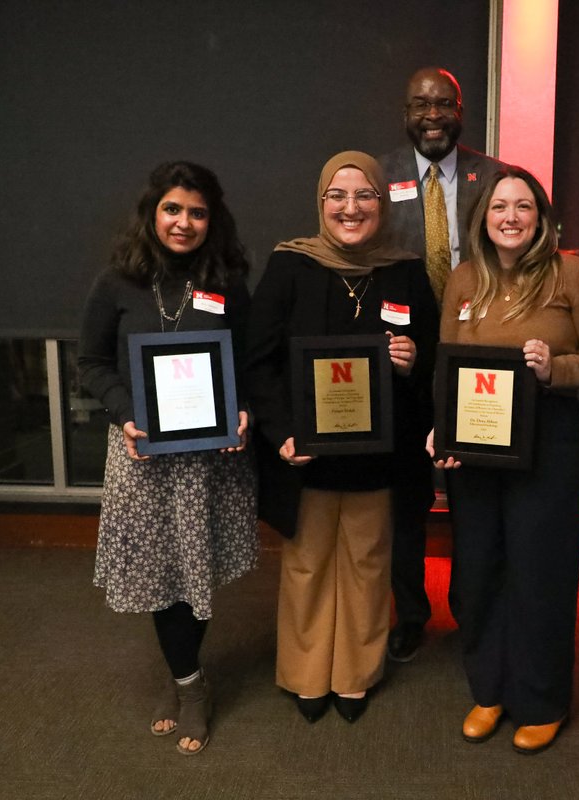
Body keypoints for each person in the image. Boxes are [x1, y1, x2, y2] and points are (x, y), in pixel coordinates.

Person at [429, 166, 579, 754]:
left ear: (541, 218)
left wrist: (553, 369)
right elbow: (445, 364)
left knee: (541, 574)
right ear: (482, 218)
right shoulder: (464, 279)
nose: (510, 217)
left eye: (524, 206)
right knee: (478, 572)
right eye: (499, 207)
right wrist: (443, 432)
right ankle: (489, 690)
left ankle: (540, 699)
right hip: (477, 452)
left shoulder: (572, 273)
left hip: (547, 444)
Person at [246, 151, 439, 723]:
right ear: (321, 202)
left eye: (364, 196)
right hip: (304, 456)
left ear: (381, 203)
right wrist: (280, 433)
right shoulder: (289, 266)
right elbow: (259, 363)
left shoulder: (405, 270)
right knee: (306, 563)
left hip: (379, 457)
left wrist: (411, 361)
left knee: (368, 562)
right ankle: (307, 672)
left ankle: (355, 672)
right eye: (338, 195)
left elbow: (434, 361)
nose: (350, 208)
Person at [78, 161, 260, 756]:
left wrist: (245, 412)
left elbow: (251, 364)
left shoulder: (228, 280)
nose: (184, 223)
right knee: (161, 577)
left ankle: (183, 677)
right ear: (152, 213)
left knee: (195, 572)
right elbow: (92, 364)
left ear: (214, 218)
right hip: (143, 455)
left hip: (210, 457)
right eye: (173, 209)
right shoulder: (116, 282)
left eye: (198, 212)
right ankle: (189, 684)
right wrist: (125, 413)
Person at [377, 67, 507, 663]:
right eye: (420, 104)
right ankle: (408, 612)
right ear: (405, 111)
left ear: (461, 109)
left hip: (473, 360)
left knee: (473, 500)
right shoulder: (378, 179)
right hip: (402, 365)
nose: (432, 115)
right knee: (405, 502)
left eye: (443, 104)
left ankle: (473, 612)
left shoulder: (496, 177)